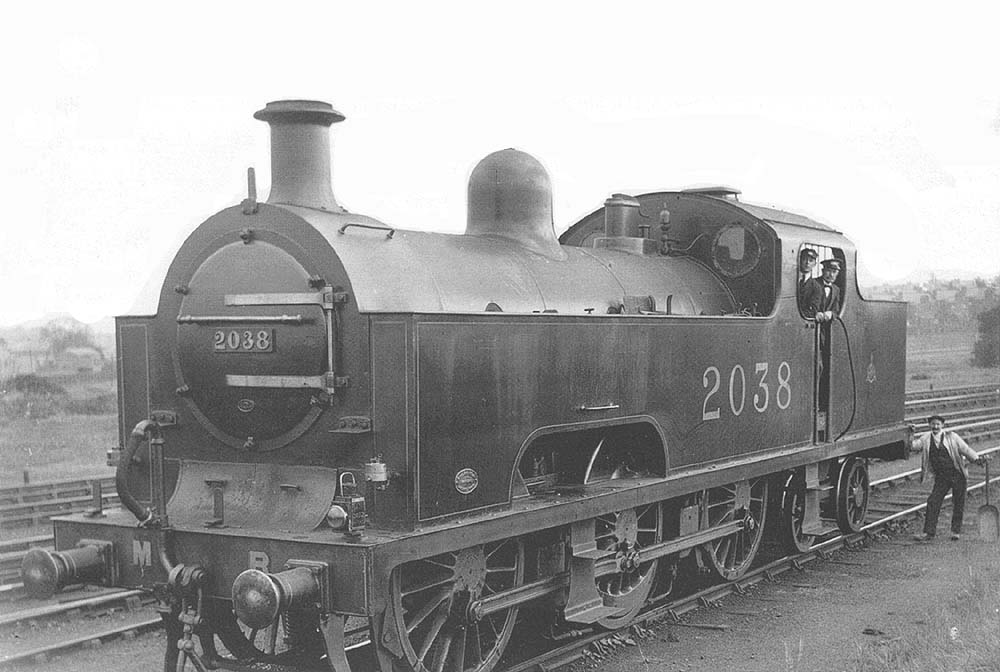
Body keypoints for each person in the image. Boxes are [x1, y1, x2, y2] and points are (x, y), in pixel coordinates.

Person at [912, 415, 985, 541]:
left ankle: (955, 531)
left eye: (938, 424)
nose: (935, 427)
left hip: (957, 474)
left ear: (942, 425)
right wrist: (909, 433)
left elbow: (965, 449)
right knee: (933, 501)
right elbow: (914, 446)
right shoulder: (926, 438)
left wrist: (977, 459)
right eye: (933, 424)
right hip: (942, 477)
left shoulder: (952, 437)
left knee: (958, 503)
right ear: (929, 425)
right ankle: (929, 533)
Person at [796, 248, 818, 313]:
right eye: (804, 259)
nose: (807, 263)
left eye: (811, 260)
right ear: (799, 261)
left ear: (814, 264)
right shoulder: (790, 280)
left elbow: (813, 311)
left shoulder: (816, 286)